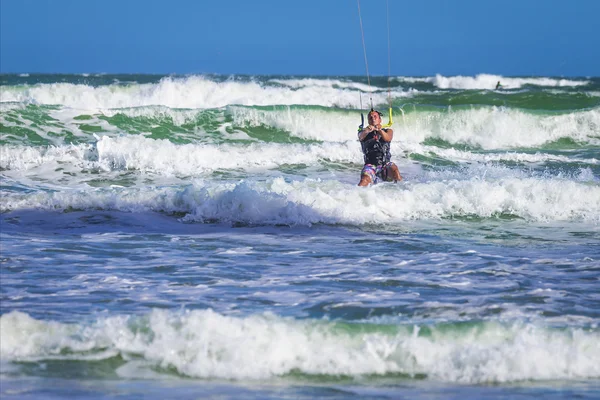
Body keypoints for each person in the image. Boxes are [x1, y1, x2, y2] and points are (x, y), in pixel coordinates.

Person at [357, 109, 402, 186]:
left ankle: (403, 192)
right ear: (368, 121)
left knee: (395, 171)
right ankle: (357, 195)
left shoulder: (388, 131)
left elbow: (387, 138)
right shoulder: (363, 133)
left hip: (386, 164)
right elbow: (360, 137)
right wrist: (367, 130)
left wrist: (379, 130)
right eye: (370, 118)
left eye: (375, 116)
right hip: (370, 165)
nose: (373, 118)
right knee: (364, 180)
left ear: (380, 119)